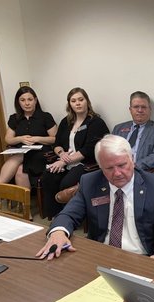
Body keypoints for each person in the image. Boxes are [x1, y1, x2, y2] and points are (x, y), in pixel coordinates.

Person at [36, 134, 154, 261]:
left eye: (122, 165)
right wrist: (59, 232)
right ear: (100, 167)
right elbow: (69, 214)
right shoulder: (90, 182)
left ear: (132, 159)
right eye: (109, 168)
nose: (117, 173)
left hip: (142, 257)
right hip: (101, 254)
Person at [41, 87, 109, 219]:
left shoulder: (96, 122)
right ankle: (55, 215)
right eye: (73, 101)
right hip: (65, 161)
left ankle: (69, 216)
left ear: (87, 102)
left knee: (66, 183)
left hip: (86, 164)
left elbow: (89, 149)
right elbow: (56, 143)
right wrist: (61, 153)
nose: (77, 103)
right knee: (49, 176)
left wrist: (63, 161)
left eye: (80, 99)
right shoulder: (66, 122)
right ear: (69, 104)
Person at [0, 86, 57, 187]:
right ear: (18, 102)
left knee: (20, 158)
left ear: (35, 100)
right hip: (23, 152)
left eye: (30, 99)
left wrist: (37, 139)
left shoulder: (45, 117)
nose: (27, 103)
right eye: (22, 100)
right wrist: (20, 139)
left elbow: (55, 138)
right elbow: (8, 139)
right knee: (20, 169)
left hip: (42, 154)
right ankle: (25, 202)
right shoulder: (14, 118)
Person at [111, 91, 154, 171]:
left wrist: (134, 166)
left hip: (140, 172)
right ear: (130, 109)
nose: (140, 110)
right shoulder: (118, 128)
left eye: (144, 107)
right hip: (115, 170)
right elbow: (109, 150)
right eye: (136, 107)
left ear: (150, 109)